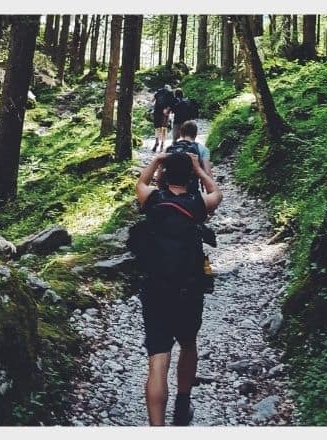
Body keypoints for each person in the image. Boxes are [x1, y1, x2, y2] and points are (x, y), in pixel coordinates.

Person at [134, 152, 223, 426]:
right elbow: (216, 193)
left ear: (165, 175)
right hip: (189, 290)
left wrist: (156, 161)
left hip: (155, 290)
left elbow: (140, 183)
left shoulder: (152, 200)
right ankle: (182, 405)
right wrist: (199, 169)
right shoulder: (198, 204)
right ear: (190, 177)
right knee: (188, 344)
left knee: (158, 362)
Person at [158, 120, 213, 194]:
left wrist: (161, 191)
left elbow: (160, 173)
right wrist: (211, 194)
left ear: (181, 133)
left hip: (169, 190)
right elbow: (207, 173)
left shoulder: (169, 148)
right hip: (191, 190)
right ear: (195, 134)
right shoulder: (202, 149)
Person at [151, 85, 174, 152]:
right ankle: (162, 144)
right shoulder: (170, 93)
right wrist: (168, 110)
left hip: (157, 111)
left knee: (157, 128)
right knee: (164, 128)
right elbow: (172, 104)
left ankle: (157, 142)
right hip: (165, 113)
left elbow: (152, 101)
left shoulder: (158, 92)